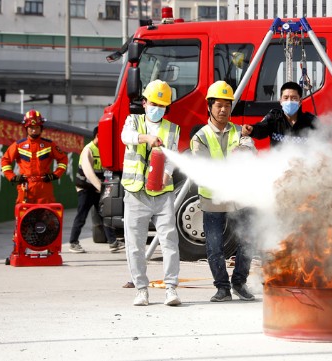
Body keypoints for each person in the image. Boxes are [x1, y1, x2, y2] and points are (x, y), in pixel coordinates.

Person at [191, 80, 256, 302]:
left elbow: (250, 156)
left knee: (247, 239)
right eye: (218, 105)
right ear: (209, 106)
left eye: (227, 105)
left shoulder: (241, 131)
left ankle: (239, 283)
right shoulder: (200, 137)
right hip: (213, 198)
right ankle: (222, 288)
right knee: (215, 245)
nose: (223, 109)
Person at [121, 80, 181, 307]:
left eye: (163, 105)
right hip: (136, 193)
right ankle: (141, 290)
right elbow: (126, 137)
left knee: (169, 241)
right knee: (135, 244)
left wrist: (166, 174)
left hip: (163, 194)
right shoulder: (132, 120)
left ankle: (171, 289)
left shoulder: (173, 129)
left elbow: (172, 158)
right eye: (154, 103)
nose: (158, 108)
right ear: (144, 103)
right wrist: (147, 138)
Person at [68, 126, 122, 254]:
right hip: (85, 190)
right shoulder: (88, 149)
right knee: (81, 216)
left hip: (98, 190)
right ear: (98, 135)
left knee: (105, 215)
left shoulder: (104, 150)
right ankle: (73, 242)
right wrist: (100, 187)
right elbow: (88, 172)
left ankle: (113, 243)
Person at [1, 109, 68, 204]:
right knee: (24, 215)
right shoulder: (18, 145)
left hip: (44, 187)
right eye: (31, 127)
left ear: (41, 128)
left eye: (37, 127)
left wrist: (55, 175)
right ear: (26, 128)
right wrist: (12, 177)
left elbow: (63, 159)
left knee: (46, 215)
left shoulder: (49, 145)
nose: (34, 130)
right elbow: (5, 160)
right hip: (25, 186)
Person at [241, 81, 318, 147]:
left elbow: (324, 140)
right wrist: (252, 129)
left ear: (300, 101)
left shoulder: (311, 121)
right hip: (278, 163)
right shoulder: (274, 117)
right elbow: (262, 128)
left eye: (294, 98)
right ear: (280, 101)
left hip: (302, 163)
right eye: (286, 98)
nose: (289, 101)